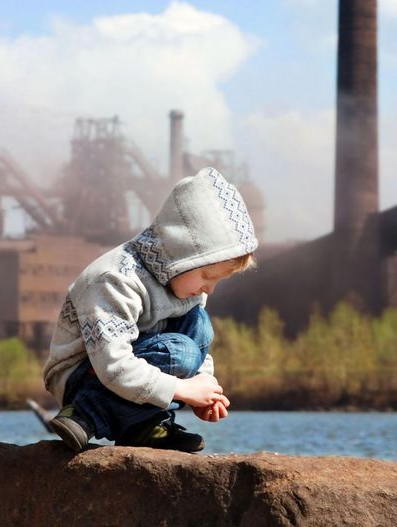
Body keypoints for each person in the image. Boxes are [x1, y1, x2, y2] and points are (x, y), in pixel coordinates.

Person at [43, 167, 257, 453]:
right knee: (181, 352)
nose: (210, 289)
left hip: (134, 365)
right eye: (208, 276)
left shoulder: (185, 287)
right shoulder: (116, 278)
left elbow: (199, 347)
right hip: (84, 375)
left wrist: (205, 386)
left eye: (218, 281)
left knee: (199, 324)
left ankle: (143, 426)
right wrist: (184, 390)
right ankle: (84, 414)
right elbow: (113, 364)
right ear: (182, 254)